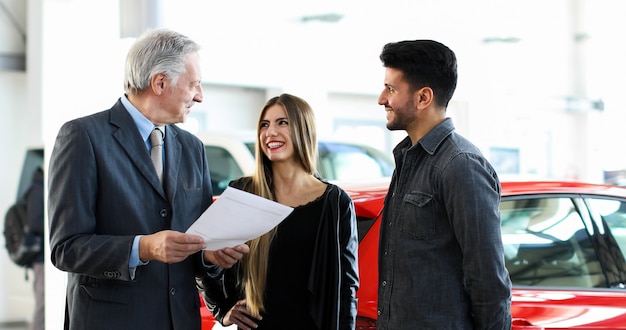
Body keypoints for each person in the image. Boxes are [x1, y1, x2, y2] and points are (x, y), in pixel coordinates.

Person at [47, 28, 249, 330]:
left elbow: (197, 243)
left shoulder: (193, 148)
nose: (200, 96)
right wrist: (143, 248)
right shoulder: (83, 137)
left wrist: (209, 255)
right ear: (160, 82)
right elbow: (66, 248)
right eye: (193, 84)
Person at [376, 40, 512, 329]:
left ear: (424, 97)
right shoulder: (408, 160)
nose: (381, 99)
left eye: (391, 89)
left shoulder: (461, 164)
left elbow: (489, 281)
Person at [197, 93, 359, 330]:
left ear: (303, 129)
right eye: (264, 124)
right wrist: (221, 310)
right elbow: (202, 257)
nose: (270, 132)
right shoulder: (243, 192)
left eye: (282, 122)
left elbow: (347, 288)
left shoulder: (334, 202)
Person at [25, 166, 44, 330]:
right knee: (42, 304)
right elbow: (35, 223)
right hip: (40, 257)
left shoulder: (39, 186)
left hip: (42, 257)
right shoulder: (37, 189)